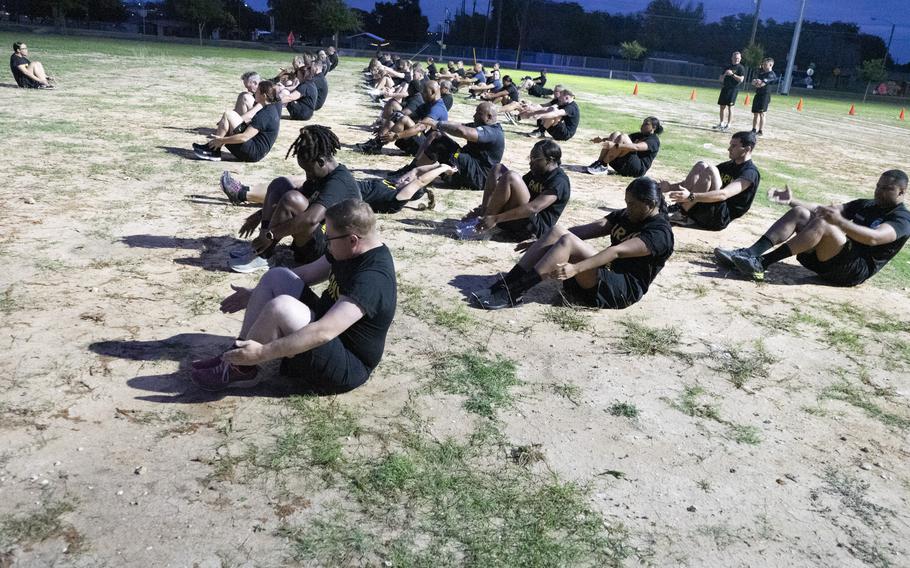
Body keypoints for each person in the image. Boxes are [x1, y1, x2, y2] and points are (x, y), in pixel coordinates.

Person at [190, 199, 397, 393]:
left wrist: (262, 353)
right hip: (328, 332)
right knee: (277, 276)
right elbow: (306, 273)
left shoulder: (372, 278)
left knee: (281, 307)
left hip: (347, 366)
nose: (326, 243)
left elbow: (324, 332)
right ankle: (238, 354)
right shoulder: (348, 249)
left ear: (353, 240)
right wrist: (255, 293)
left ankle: (244, 366)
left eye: (329, 238)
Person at [471, 177, 673, 310]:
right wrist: (543, 240)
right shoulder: (627, 215)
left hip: (621, 290)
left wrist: (576, 268)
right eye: (627, 202)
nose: (627, 208)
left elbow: (616, 252)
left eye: (633, 204)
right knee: (558, 231)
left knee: (567, 241)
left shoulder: (660, 233)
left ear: (651, 204)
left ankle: (514, 292)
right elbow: (590, 229)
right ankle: (507, 284)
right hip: (602, 273)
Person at [715, 170, 910, 284]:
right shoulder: (868, 204)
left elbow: (874, 238)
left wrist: (840, 222)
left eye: (887, 189)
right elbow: (823, 209)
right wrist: (790, 200)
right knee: (800, 212)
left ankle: (761, 264)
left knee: (825, 223)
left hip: (853, 270)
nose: (879, 192)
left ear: (902, 192)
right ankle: (750, 254)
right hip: (831, 258)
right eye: (878, 186)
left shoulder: (902, 218)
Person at [229, 125, 361, 273]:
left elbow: (312, 218)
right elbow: (300, 196)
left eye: (309, 170)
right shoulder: (320, 175)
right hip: (320, 235)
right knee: (279, 185)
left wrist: (271, 234)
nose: (307, 176)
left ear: (321, 161)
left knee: (291, 199)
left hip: (332, 249)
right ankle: (261, 248)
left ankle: (264, 252)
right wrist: (260, 215)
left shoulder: (338, 182)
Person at [465, 139, 571, 241]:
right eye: (530, 158)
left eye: (535, 159)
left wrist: (496, 218)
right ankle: (484, 215)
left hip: (532, 228)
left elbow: (534, 208)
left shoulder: (559, 181)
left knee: (511, 176)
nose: (530, 162)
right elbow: (514, 192)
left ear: (549, 160)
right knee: (498, 168)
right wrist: (487, 207)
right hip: (518, 218)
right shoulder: (537, 172)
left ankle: (483, 226)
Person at [659, 131, 760, 230]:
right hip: (706, 206)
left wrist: (691, 196)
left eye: (734, 146)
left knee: (711, 169)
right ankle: (679, 209)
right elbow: (700, 180)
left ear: (747, 149)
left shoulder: (750, 173)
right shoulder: (728, 165)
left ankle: (682, 213)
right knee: (701, 165)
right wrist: (669, 187)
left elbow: (724, 194)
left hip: (718, 218)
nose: (729, 149)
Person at [397, 101, 505, 192]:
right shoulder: (482, 125)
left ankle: (414, 174)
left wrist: (437, 124)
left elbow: (464, 132)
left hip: (478, 176)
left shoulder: (493, 132)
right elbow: (459, 125)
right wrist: (438, 123)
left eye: (478, 113)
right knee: (436, 135)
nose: (474, 116)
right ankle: (413, 168)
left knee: (439, 142)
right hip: (470, 165)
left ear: (489, 117)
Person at [192, 81, 282, 162]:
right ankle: (213, 149)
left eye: (257, 91)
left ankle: (213, 149)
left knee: (228, 120)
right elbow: (249, 121)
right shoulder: (270, 106)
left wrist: (221, 140)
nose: (255, 93)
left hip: (253, 153)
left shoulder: (265, 114)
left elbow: (244, 137)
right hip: (255, 148)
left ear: (264, 96)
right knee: (229, 115)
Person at [586, 116, 663, 176]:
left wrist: (615, 146)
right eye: (643, 123)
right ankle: (600, 163)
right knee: (616, 134)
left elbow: (637, 147)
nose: (642, 125)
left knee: (623, 137)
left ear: (654, 127)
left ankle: (603, 165)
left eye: (646, 124)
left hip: (636, 170)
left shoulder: (653, 140)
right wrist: (602, 139)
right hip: (623, 164)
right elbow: (617, 139)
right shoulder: (639, 135)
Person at [714, 51, 745, 131]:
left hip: (733, 89)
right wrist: (725, 74)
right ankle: (721, 123)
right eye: (735, 58)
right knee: (722, 106)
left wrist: (732, 74)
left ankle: (728, 125)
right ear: (732, 58)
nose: (736, 59)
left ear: (740, 58)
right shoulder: (727, 67)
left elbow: (741, 80)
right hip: (725, 88)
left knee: (730, 107)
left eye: (738, 58)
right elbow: (720, 79)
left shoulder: (741, 68)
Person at [751, 57, 778, 136]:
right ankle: (753, 129)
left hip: (765, 96)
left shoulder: (771, 75)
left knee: (762, 113)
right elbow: (753, 82)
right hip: (758, 94)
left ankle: (760, 131)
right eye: (763, 64)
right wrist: (757, 82)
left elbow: (761, 84)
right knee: (755, 113)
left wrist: (758, 83)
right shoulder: (761, 73)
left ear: (770, 65)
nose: (763, 65)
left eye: (765, 64)